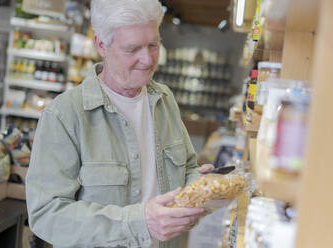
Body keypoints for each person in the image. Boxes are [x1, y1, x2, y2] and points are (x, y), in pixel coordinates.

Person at [26, 0, 215, 247]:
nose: (147, 59)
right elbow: (47, 215)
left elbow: (187, 168)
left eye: (153, 45)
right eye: (132, 48)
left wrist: (201, 187)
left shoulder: (165, 100)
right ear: (101, 45)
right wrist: (140, 222)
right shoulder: (64, 115)